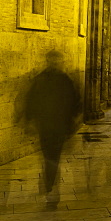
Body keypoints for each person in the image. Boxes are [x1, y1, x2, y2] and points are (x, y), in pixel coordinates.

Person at [24, 51, 81, 204]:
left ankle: (50, 184)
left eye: (57, 60)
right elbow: (31, 101)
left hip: (59, 126)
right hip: (46, 126)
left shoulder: (65, 80)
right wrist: (29, 120)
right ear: (48, 61)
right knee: (49, 156)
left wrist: (71, 122)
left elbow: (74, 102)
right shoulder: (41, 79)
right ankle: (50, 182)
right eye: (52, 60)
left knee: (53, 156)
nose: (55, 63)